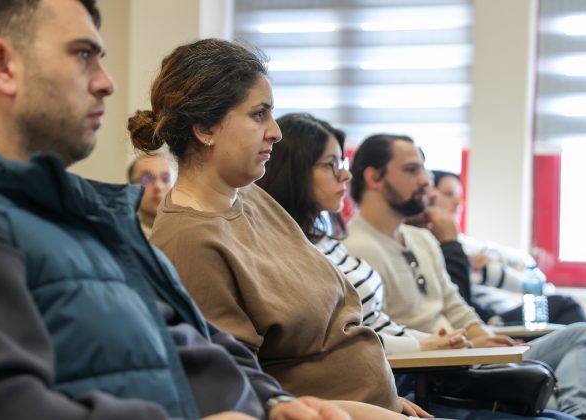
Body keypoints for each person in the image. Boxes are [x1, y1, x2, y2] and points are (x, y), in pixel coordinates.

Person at [0, 1, 352, 419]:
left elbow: (198, 338)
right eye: (82, 55)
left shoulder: (87, 218)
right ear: (2, 66)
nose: (106, 81)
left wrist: (273, 402)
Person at [132, 38, 424, 419]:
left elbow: (332, 336)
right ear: (205, 127)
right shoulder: (190, 241)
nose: (275, 132)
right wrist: (371, 411)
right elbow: (241, 390)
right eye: (259, 115)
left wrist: (386, 400)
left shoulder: (251, 197)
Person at [256, 113, 586, 420]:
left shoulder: (332, 243)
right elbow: (344, 341)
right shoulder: (325, 248)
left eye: (342, 162)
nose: (345, 173)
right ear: (297, 172)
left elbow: (390, 319)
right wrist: (428, 344)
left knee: (575, 345)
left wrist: (463, 337)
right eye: (332, 164)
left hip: (431, 366)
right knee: (573, 349)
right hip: (419, 378)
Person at [343, 134, 586, 420]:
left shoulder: (421, 239)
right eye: (412, 170)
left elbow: (454, 302)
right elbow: (380, 334)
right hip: (439, 372)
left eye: (423, 169)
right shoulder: (353, 248)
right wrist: (466, 345)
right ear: (374, 177)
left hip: (472, 358)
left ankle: (582, 414)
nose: (425, 180)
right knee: (563, 385)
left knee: (584, 336)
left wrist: (482, 335)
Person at [430, 170, 586, 326]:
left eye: (459, 195)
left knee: (566, 329)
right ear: (430, 197)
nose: (458, 202)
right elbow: (522, 279)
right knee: (565, 305)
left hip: (507, 309)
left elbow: (523, 260)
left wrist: (495, 258)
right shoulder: (439, 245)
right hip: (493, 318)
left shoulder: (467, 243)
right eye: (449, 194)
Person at [127, 152, 175, 237]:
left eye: (165, 179)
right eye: (146, 179)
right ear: (131, 188)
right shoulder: (123, 236)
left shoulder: (189, 232)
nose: (158, 187)